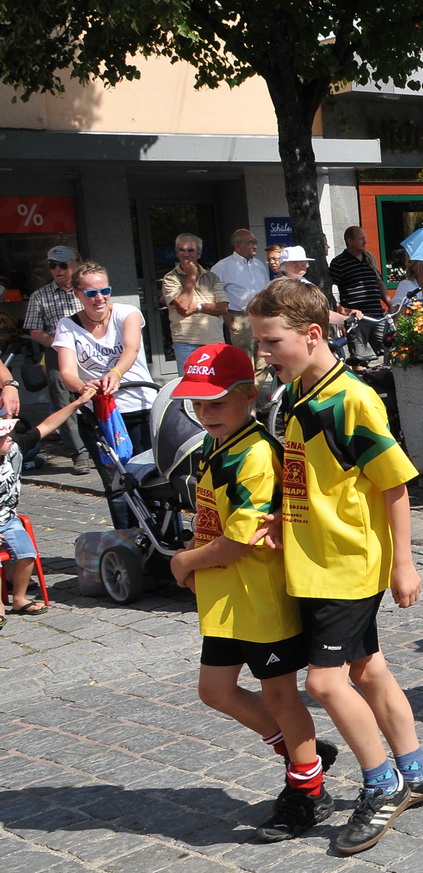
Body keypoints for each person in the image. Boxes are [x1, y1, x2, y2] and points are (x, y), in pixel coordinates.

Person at [247, 277, 423, 856]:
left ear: (311, 334)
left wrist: (404, 563)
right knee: (367, 670)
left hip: (347, 566)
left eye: (270, 341)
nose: (263, 352)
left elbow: (396, 483)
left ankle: (381, 786)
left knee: (325, 682)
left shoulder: (349, 398)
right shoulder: (300, 391)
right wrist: (286, 516)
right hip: (315, 562)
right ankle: (418, 768)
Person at [163, 343, 339, 842]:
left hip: (260, 597)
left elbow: (242, 538)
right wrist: (197, 561)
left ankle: (307, 794)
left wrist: (183, 562)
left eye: (216, 403)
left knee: (280, 693)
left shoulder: (258, 453)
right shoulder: (210, 448)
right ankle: (302, 752)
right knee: (214, 690)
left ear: (250, 395)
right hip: (224, 597)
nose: (205, 413)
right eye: (197, 404)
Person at [53, 263, 157, 526]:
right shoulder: (67, 326)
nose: (99, 298)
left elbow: (131, 349)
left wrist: (117, 373)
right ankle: (126, 542)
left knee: (150, 480)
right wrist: (82, 386)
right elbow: (67, 371)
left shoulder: (127, 313)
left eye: (105, 291)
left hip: (138, 408)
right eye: (91, 293)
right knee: (116, 483)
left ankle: (158, 538)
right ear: (77, 294)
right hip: (100, 413)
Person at [0, 384, 97, 617]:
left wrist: (77, 404)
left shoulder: (16, 450)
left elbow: (48, 425)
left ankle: (20, 599)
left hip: (8, 519)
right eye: (4, 436)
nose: (10, 437)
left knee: (27, 553)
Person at [23, 245, 90, 473]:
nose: (58, 270)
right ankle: (79, 454)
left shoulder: (88, 290)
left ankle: (106, 446)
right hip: (58, 352)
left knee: (96, 396)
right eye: (53, 266)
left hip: (91, 349)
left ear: (76, 264)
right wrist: (60, 342)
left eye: (63, 265)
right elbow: (34, 331)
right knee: (64, 401)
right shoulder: (39, 296)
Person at [160, 234, 228, 372]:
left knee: (216, 387)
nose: (186, 254)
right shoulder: (170, 278)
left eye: (190, 250)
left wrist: (197, 307)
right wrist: (191, 276)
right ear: (177, 253)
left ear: (199, 253)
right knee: (189, 387)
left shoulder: (212, 277)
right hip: (186, 344)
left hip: (214, 342)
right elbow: (184, 306)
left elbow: (223, 308)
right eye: (182, 250)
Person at [212, 228, 274, 378]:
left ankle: (253, 398)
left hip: (261, 317)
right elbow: (212, 293)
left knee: (263, 362)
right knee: (245, 362)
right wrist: (225, 315)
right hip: (239, 318)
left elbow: (266, 291)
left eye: (255, 242)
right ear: (237, 245)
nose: (254, 246)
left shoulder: (259, 265)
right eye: (250, 243)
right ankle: (246, 400)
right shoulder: (222, 267)